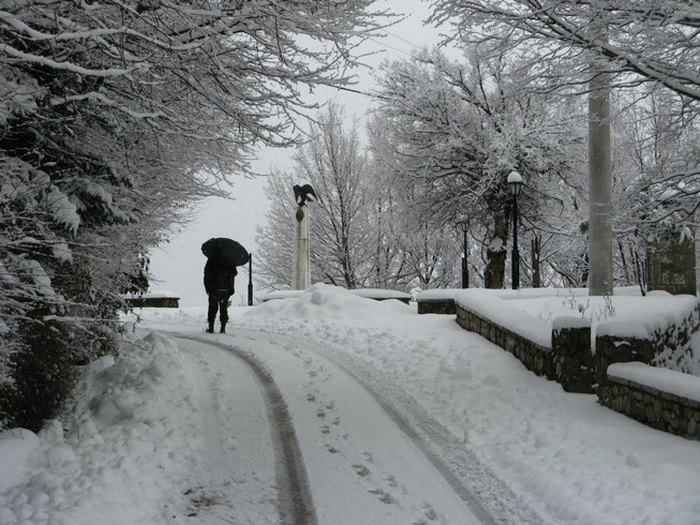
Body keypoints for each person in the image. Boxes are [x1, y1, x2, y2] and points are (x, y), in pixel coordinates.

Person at [203, 259, 237, 333]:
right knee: (223, 308)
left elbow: (207, 274)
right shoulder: (229, 259)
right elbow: (234, 273)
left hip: (214, 289)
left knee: (212, 308)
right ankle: (223, 328)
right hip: (226, 289)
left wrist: (208, 288)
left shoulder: (212, 260)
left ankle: (211, 327)